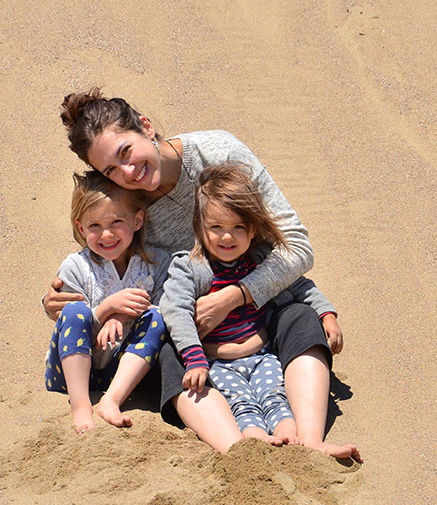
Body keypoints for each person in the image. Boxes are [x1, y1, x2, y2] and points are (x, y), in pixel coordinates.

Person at [44, 88, 361, 460]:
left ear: (146, 127)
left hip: (256, 312)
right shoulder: (128, 203)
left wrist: (233, 297)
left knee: (300, 317)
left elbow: (296, 247)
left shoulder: (219, 152)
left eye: (126, 152)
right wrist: (66, 300)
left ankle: (310, 441)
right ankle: (238, 452)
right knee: (165, 347)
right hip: (187, 330)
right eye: (110, 169)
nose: (127, 173)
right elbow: (112, 265)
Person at [160, 164, 350, 455]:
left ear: (252, 230)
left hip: (262, 353)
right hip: (217, 361)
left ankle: (303, 441)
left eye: (238, 227)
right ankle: (249, 444)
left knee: (275, 396)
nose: (227, 237)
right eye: (216, 228)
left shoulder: (259, 260)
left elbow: (299, 286)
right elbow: (175, 309)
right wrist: (195, 359)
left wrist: (327, 313)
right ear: (200, 227)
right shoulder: (189, 267)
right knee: (240, 401)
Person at [44, 170, 170, 434]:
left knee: (157, 316)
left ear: (137, 220)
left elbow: (166, 312)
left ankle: (111, 400)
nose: (107, 234)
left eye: (116, 222)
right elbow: (69, 321)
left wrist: (122, 315)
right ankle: (81, 406)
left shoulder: (155, 263)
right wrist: (106, 309)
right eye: (95, 226)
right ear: (81, 228)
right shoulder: (76, 266)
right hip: (71, 372)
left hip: (124, 372)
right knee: (77, 310)